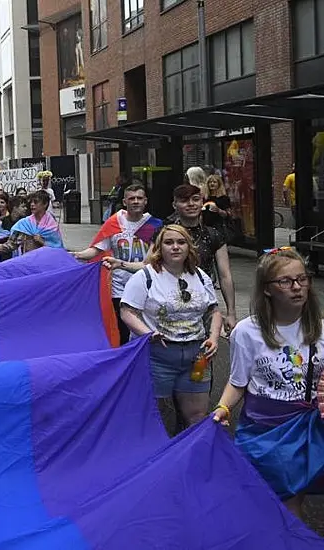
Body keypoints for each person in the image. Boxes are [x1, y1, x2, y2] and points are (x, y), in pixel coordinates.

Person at [213, 247, 324, 520]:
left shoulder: (321, 329)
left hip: (307, 429)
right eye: (286, 281)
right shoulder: (247, 332)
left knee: (290, 504)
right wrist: (222, 408)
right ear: (266, 289)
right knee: (263, 503)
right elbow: (238, 382)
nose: (297, 287)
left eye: (302, 279)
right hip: (263, 430)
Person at [120, 225, 222, 428]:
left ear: (189, 247)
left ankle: (191, 458)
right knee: (159, 418)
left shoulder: (200, 276)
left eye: (181, 242)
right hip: (158, 355)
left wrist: (214, 337)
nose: (175, 247)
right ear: (159, 248)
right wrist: (148, 333)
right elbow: (127, 311)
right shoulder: (145, 276)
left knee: (197, 416)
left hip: (197, 356)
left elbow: (215, 311)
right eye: (169, 243)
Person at [73, 183, 163, 343]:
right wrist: (75, 255)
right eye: (132, 198)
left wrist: (119, 263)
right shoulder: (114, 223)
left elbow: (148, 263)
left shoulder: (154, 225)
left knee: (146, 331)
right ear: (124, 202)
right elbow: (95, 250)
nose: (136, 201)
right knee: (122, 332)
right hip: (120, 289)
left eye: (139, 198)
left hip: (147, 286)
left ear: (145, 201)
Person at [156, 184, 237, 333]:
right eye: (184, 200)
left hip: (203, 303)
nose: (191, 204)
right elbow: (148, 265)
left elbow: (225, 275)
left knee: (204, 351)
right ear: (174, 205)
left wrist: (231, 313)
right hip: (168, 302)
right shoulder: (164, 234)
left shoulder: (213, 235)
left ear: (202, 202)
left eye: (195, 199)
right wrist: (121, 264)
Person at [9, 190, 64, 255]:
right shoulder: (25, 223)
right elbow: (12, 244)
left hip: (46, 261)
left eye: (35, 202)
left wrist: (43, 242)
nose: (32, 204)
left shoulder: (52, 226)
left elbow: (58, 249)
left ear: (45, 204)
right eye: (31, 202)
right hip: (27, 261)